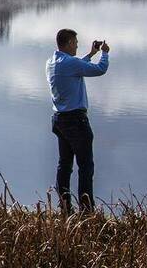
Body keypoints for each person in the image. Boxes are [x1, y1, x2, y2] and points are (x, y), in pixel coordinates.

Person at [46, 28, 110, 213]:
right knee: (86, 166)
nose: (77, 45)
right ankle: (86, 210)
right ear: (67, 44)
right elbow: (100, 69)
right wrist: (104, 53)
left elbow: (75, 66)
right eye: (75, 42)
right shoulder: (70, 63)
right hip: (76, 121)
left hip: (59, 120)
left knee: (64, 165)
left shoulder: (52, 62)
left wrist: (90, 54)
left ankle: (65, 207)